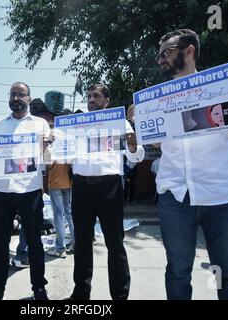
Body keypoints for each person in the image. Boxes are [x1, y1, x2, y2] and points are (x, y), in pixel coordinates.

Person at [155, 29, 228, 300]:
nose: (160, 59)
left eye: (167, 52)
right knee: (178, 272)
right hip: (175, 195)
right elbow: (159, 144)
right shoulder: (156, 97)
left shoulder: (223, 87)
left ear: (189, 50)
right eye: (158, 55)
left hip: (222, 195)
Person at [67, 84, 145, 300]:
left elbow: (136, 156)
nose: (91, 99)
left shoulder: (120, 122)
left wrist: (132, 146)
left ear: (107, 101)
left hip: (109, 186)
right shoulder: (76, 124)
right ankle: (81, 293)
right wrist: (56, 144)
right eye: (89, 96)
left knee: (114, 242)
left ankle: (120, 296)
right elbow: (64, 157)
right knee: (82, 242)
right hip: (81, 187)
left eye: (97, 96)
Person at [0, 82, 51, 301]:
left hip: (30, 190)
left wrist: (46, 148)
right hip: (2, 191)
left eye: (21, 94)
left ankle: (39, 289)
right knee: (0, 244)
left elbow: (49, 162)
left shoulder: (41, 124)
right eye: (13, 94)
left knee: (34, 242)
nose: (16, 98)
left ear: (29, 99)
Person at [46, 160, 74, 258]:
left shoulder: (51, 149)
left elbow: (48, 165)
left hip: (55, 183)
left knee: (58, 216)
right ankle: (75, 244)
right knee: (69, 215)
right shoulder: (69, 145)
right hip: (68, 182)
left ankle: (60, 249)